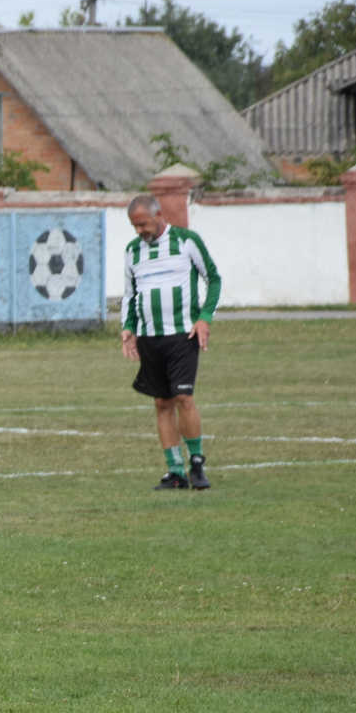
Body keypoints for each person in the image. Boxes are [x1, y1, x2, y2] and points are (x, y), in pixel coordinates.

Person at [120, 194, 221, 491]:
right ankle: (175, 471)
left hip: (182, 334)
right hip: (149, 337)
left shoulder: (186, 241)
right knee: (162, 403)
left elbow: (213, 279)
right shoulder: (132, 251)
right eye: (135, 226)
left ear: (158, 215)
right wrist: (128, 327)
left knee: (184, 398)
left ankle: (197, 464)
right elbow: (130, 294)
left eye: (143, 224)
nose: (140, 230)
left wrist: (205, 317)